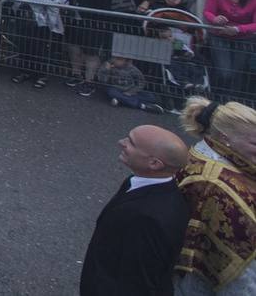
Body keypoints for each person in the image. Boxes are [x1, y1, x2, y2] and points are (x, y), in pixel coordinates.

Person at [78, 124, 190, 296]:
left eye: (131, 143)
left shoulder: (148, 219)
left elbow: (138, 283)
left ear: (154, 163)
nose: (121, 143)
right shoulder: (143, 184)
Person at [174, 98, 256, 295]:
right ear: (225, 137)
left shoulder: (206, 152)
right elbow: (240, 273)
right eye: (254, 142)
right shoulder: (215, 184)